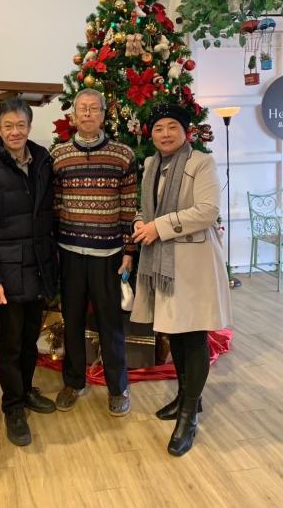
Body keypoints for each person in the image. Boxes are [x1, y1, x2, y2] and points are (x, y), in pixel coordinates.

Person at [130, 103, 231, 456]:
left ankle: (188, 416)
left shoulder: (200, 162)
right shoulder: (151, 164)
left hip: (193, 263)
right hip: (164, 263)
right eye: (159, 128)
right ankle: (188, 397)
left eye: (172, 127)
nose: (165, 134)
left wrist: (158, 227)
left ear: (185, 131)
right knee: (174, 332)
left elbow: (207, 211)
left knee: (193, 336)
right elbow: (147, 208)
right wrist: (140, 222)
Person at [0, 98, 57, 447]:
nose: (15, 131)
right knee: (11, 344)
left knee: (31, 338)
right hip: (7, 274)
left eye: (21, 125)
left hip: (40, 268)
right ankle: (13, 406)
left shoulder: (43, 162)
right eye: (8, 126)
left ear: (29, 127)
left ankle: (27, 390)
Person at [52, 88, 137, 416]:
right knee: (72, 320)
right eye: (82, 109)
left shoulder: (122, 155)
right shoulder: (59, 155)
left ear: (103, 114)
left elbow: (128, 207)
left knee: (110, 323)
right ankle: (74, 382)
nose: (87, 114)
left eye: (93, 108)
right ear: (73, 116)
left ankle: (118, 387)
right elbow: (55, 205)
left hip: (109, 255)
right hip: (70, 253)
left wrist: (129, 250)